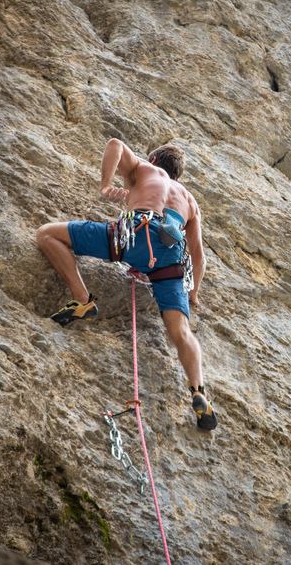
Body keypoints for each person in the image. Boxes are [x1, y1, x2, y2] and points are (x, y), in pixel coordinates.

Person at [35, 137, 217, 431]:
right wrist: (193, 293)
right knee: (181, 331)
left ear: (155, 160)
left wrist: (106, 185)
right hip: (172, 258)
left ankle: (83, 301)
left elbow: (115, 144)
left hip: (135, 233)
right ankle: (198, 392)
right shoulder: (190, 201)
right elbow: (200, 259)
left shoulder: (147, 169)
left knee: (47, 234)